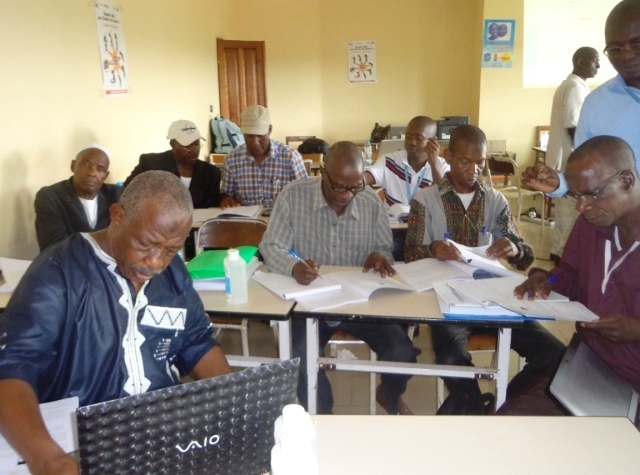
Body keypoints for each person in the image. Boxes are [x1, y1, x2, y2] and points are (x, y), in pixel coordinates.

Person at [0, 170, 232, 475]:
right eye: (146, 244)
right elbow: (13, 369)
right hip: (82, 442)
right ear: (118, 216)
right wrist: (47, 459)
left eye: (171, 250)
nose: (156, 263)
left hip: (162, 435)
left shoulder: (173, 273)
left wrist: (235, 405)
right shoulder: (59, 272)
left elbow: (196, 343)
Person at [404, 124, 564, 414]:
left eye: (480, 162)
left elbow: (526, 258)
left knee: (555, 354)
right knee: (451, 357)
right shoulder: (425, 200)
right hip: (447, 301)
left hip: (493, 299)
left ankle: (504, 404)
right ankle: (479, 411)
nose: (474, 170)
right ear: (448, 157)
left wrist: (515, 249)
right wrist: (431, 249)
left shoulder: (495, 200)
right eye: (465, 162)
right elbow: (410, 254)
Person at [259, 141, 416, 415]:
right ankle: (323, 418)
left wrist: (380, 255)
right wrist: (294, 267)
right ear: (322, 172)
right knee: (301, 358)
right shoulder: (294, 196)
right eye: (339, 187)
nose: (346, 196)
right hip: (311, 303)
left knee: (403, 352)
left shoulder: (369, 203)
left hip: (359, 303)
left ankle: (389, 393)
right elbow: (271, 246)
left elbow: (384, 248)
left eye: (355, 187)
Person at [504, 136, 640, 414]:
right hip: (587, 366)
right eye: (577, 196)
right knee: (509, 426)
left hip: (633, 381)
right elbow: (569, 275)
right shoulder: (592, 223)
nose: (581, 207)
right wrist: (549, 281)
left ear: (626, 181)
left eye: (592, 194)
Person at [523, 0, 640, 198]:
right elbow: (588, 173)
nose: (626, 56)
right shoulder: (597, 103)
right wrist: (560, 183)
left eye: (636, 44)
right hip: (615, 226)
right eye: (615, 49)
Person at [365, 115, 448, 260]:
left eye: (418, 138)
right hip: (393, 232)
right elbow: (368, 176)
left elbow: (446, 196)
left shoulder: (443, 166)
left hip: (427, 233)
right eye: (408, 137)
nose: (412, 142)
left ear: (432, 141)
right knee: (380, 251)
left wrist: (434, 164)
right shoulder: (390, 160)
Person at [546, 47, 600, 265]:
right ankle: (564, 258)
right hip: (570, 162)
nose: (598, 66)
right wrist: (587, 160)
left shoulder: (569, 86)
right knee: (570, 213)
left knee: (564, 214)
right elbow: (573, 127)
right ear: (580, 61)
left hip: (563, 160)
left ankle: (558, 252)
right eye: (595, 61)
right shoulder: (575, 88)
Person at [34, 142, 121, 252]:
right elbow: (54, 246)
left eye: (100, 169)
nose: (92, 173)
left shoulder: (116, 195)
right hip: (65, 266)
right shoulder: (50, 197)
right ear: (73, 166)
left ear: (106, 175)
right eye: (86, 165)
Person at [220, 105, 308, 208]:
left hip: (284, 219)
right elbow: (226, 193)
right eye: (249, 136)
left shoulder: (291, 157)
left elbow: (305, 193)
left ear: (269, 130)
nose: (255, 142)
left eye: (260, 135)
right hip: (247, 221)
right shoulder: (232, 160)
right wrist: (226, 199)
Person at [124, 119, 221, 209]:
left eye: (196, 144)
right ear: (172, 144)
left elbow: (214, 205)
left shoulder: (210, 172)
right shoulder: (151, 164)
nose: (194, 150)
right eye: (187, 146)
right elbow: (127, 191)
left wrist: (224, 198)